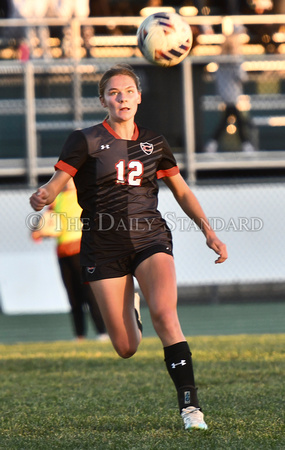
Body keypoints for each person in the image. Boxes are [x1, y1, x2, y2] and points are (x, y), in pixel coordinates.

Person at [30, 64, 228, 431]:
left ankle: (191, 409)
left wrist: (209, 232)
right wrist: (44, 194)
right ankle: (130, 308)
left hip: (150, 237)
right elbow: (58, 183)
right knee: (125, 347)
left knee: (167, 316)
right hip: (102, 247)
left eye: (129, 91)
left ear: (139, 96)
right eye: (114, 93)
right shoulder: (85, 139)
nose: (122, 98)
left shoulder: (155, 141)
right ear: (103, 100)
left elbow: (181, 190)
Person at [31, 179, 109, 341]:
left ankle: (102, 332)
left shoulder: (84, 194)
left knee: (90, 293)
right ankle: (79, 335)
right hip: (63, 253)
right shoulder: (58, 198)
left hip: (82, 251)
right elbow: (43, 224)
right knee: (73, 296)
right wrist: (40, 231)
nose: (67, 181)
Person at [204, 33, 256, 154]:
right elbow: (242, 77)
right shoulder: (235, 59)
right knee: (236, 118)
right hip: (232, 93)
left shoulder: (220, 59)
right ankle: (246, 144)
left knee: (231, 117)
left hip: (223, 92)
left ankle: (213, 144)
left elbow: (216, 76)